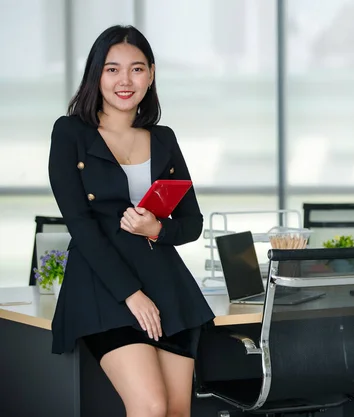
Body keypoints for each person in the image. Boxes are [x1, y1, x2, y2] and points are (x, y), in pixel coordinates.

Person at [48, 25, 214, 417]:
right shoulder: (70, 133)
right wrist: (131, 294)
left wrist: (157, 229)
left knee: (175, 411)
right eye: (112, 69)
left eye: (137, 69)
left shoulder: (164, 139)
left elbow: (191, 222)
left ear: (151, 75)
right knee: (151, 406)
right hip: (103, 287)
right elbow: (80, 223)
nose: (125, 80)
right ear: (96, 74)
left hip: (168, 287)